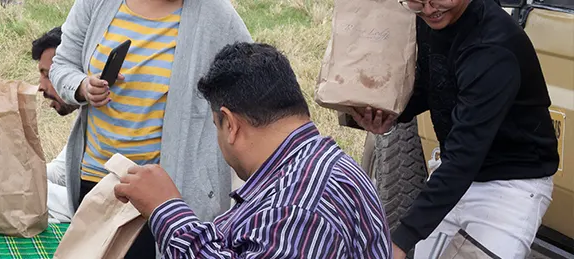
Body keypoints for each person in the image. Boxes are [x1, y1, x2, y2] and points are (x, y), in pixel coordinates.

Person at [113, 42, 392, 258]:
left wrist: (167, 211)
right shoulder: (320, 164)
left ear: (231, 124)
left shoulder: (299, 209)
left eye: (216, 126)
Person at [350, 0, 558, 257]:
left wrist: (402, 239)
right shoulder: (432, 20)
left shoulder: (492, 48)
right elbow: (432, 85)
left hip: (510, 184)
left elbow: (465, 157)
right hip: (454, 174)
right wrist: (392, 114)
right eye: (416, 1)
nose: (428, 9)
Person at [50, 0, 250, 256]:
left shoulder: (217, 15)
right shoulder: (96, 3)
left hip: (165, 193)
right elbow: (62, 65)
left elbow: (247, 80)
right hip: (96, 179)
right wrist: (82, 87)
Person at [33, 26, 82, 222]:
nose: (40, 87)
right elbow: (60, 173)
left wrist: (20, 183)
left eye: (49, 75)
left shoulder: (108, 122)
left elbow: (83, 206)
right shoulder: (85, 115)